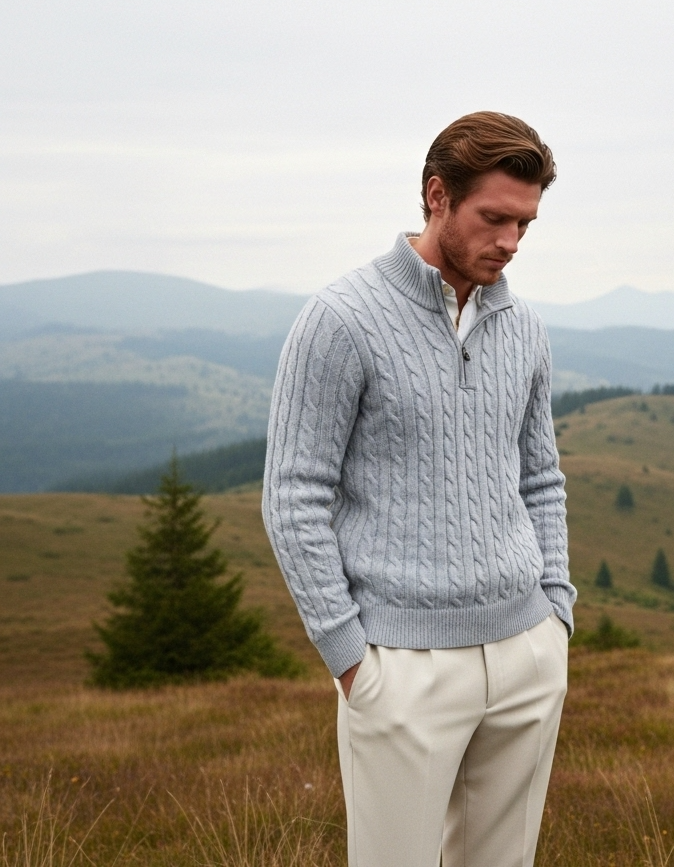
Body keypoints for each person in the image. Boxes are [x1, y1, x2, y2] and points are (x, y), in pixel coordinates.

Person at [262, 111, 575, 867]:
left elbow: (540, 477)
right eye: (494, 218)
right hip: (400, 664)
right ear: (438, 196)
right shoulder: (341, 319)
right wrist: (351, 658)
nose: (511, 241)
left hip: (527, 652)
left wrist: (556, 615)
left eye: (525, 224)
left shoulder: (524, 328)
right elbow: (294, 495)